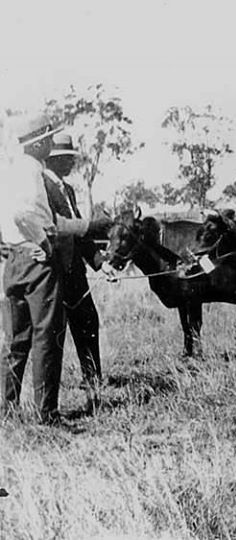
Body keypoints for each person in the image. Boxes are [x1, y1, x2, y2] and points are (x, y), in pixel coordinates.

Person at [0, 113, 111, 425]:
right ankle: (46, 415)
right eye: (49, 139)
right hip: (38, 263)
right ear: (39, 142)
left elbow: (16, 217)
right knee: (46, 338)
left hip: (16, 261)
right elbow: (28, 216)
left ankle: (6, 412)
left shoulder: (10, 170)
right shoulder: (34, 173)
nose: (50, 144)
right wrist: (44, 243)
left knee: (16, 341)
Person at [42, 133, 117, 413]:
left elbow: (81, 236)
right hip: (53, 276)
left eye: (72, 159)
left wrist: (100, 262)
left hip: (77, 275)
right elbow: (63, 228)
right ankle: (49, 404)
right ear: (54, 159)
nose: (71, 164)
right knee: (54, 337)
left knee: (88, 324)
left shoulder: (68, 190)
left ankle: (93, 387)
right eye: (67, 159)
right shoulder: (43, 188)